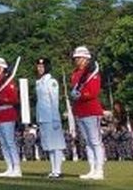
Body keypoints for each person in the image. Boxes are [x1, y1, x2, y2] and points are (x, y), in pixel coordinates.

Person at [69, 45, 105, 180]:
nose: (77, 61)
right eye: (76, 58)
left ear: (86, 59)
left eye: (79, 58)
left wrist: (80, 95)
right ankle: (92, 169)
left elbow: (93, 92)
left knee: (95, 141)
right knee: (87, 142)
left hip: (91, 109)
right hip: (80, 110)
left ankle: (99, 169)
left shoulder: (93, 73)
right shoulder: (75, 74)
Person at [0, 57, 22, 177]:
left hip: (7, 114)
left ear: (2, 68)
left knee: (10, 142)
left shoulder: (9, 82)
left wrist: (1, 99)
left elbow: (14, 99)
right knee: (3, 143)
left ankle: (17, 168)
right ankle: (9, 167)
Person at [34, 57, 66, 178]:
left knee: (56, 145)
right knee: (49, 145)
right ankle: (53, 170)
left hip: (51, 117)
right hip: (43, 117)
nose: (39, 69)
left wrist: (56, 118)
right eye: (38, 66)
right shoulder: (39, 82)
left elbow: (54, 101)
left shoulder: (51, 81)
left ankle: (58, 170)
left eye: (42, 67)